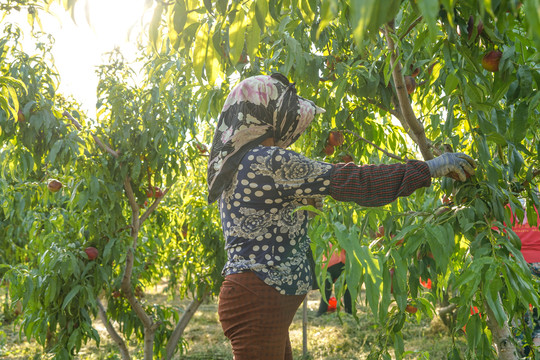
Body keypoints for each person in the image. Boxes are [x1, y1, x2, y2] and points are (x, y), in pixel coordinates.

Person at [206, 73, 476, 360]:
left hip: (258, 297)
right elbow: (356, 181)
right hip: (258, 298)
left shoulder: (239, 163)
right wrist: (431, 168)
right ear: (269, 116)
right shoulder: (266, 160)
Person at [316, 244, 352, 316]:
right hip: (340, 263)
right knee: (347, 289)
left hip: (327, 265)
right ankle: (349, 311)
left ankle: (321, 312)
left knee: (326, 290)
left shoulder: (326, 239)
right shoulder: (342, 237)